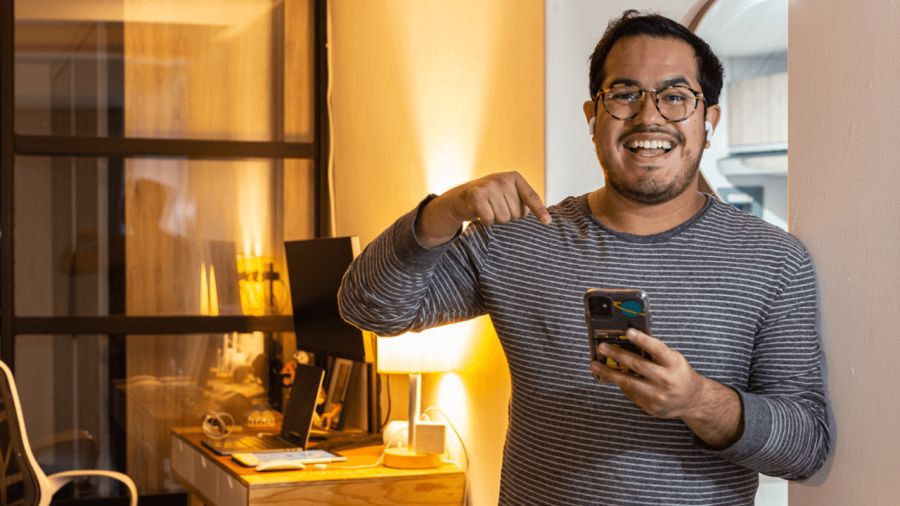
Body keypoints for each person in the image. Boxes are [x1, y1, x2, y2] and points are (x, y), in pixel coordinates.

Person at [339, 10, 829, 505]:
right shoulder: (519, 240)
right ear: (593, 118)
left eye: (676, 97)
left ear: (709, 120)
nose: (649, 116)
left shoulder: (773, 260)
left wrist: (697, 400)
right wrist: (443, 211)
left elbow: (807, 447)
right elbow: (368, 307)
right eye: (624, 94)